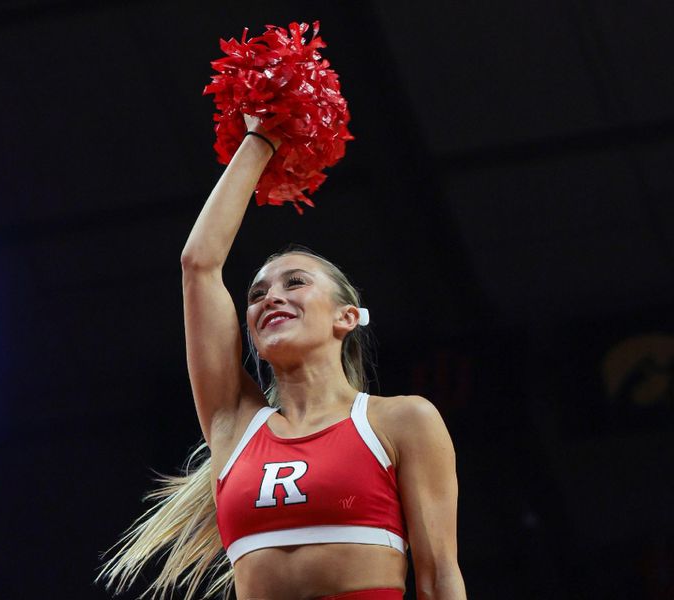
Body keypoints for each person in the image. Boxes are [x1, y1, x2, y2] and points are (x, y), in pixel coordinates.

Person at [99, 116, 466, 600]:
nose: (270, 298)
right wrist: (261, 137)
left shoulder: (403, 420)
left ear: (346, 317)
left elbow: (439, 576)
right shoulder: (234, 423)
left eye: (295, 283)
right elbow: (199, 264)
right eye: (257, 294)